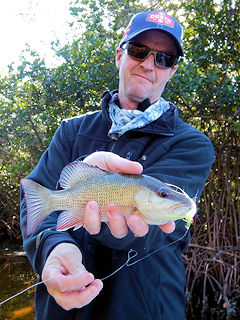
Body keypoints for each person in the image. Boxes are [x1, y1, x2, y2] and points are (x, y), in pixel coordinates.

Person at [20, 10, 214, 320]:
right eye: (139, 50)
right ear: (119, 55)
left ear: (171, 72)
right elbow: (37, 201)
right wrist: (53, 247)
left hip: (145, 309)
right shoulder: (71, 130)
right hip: (61, 310)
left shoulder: (193, 145)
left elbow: (163, 226)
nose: (149, 64)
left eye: (163, 59)